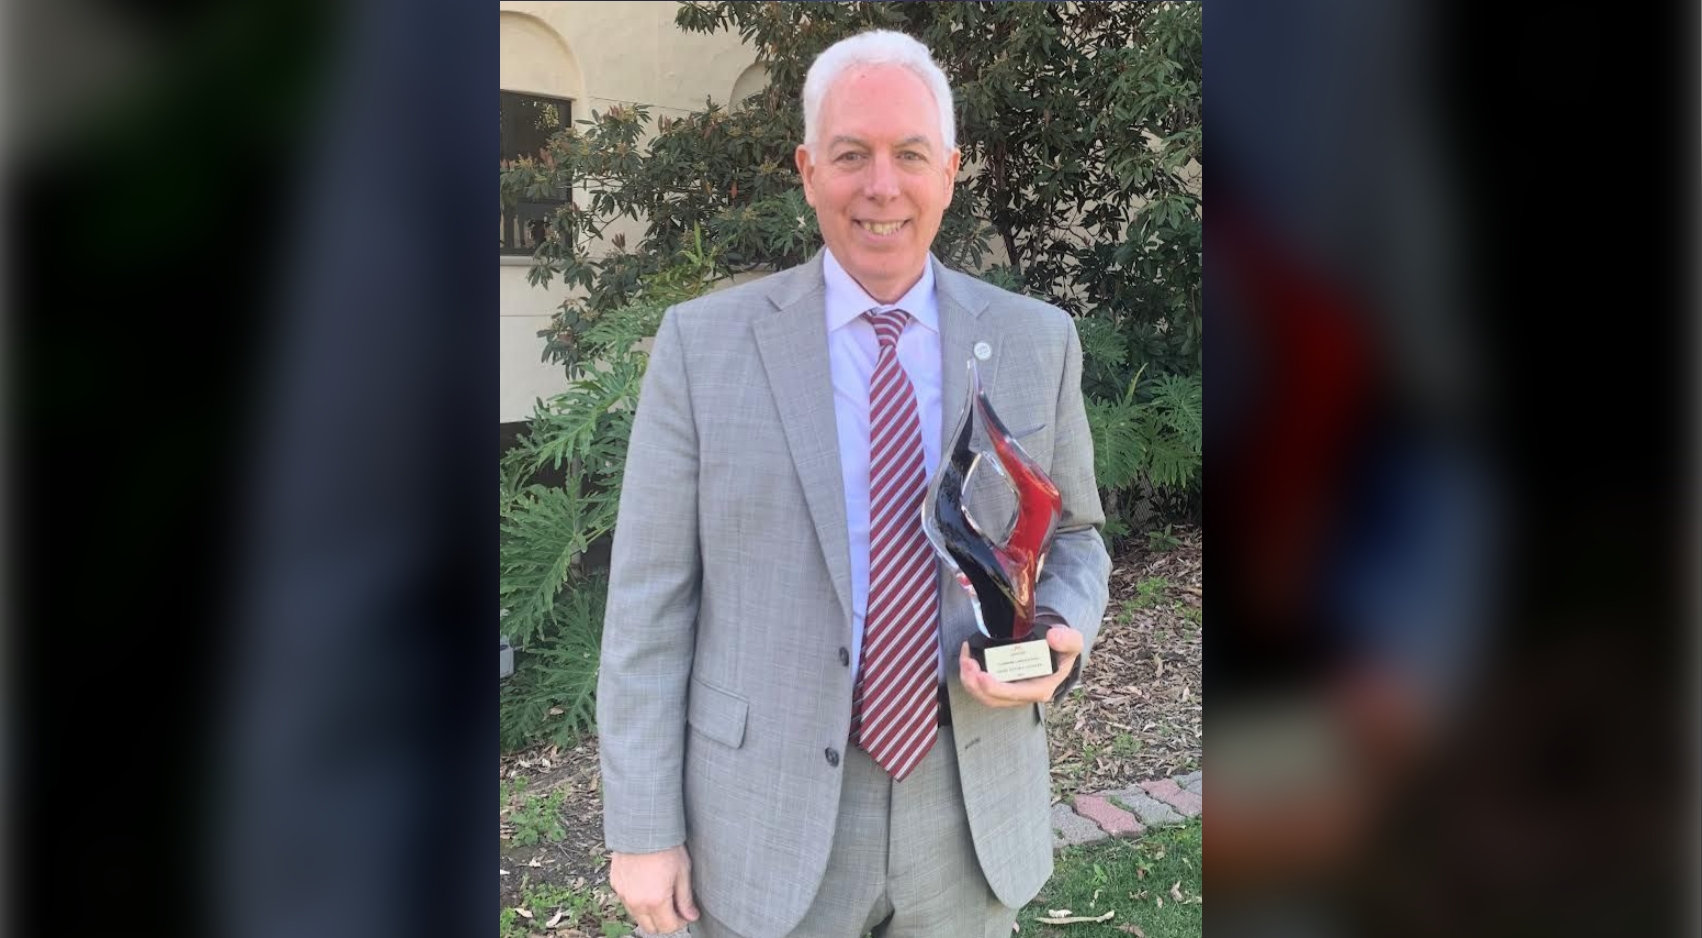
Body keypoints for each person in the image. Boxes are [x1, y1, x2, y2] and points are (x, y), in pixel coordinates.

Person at [597, 29, 1112, 938]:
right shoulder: (702, 348)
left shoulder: (1037, 342)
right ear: (806, 170)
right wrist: (643, 830)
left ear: (949, 172)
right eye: (850, 156)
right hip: (764, 824)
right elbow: (647, 603)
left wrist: (1064, 629)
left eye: (910, 154)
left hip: (967, 817)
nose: (882, 187)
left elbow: (1075, 537)